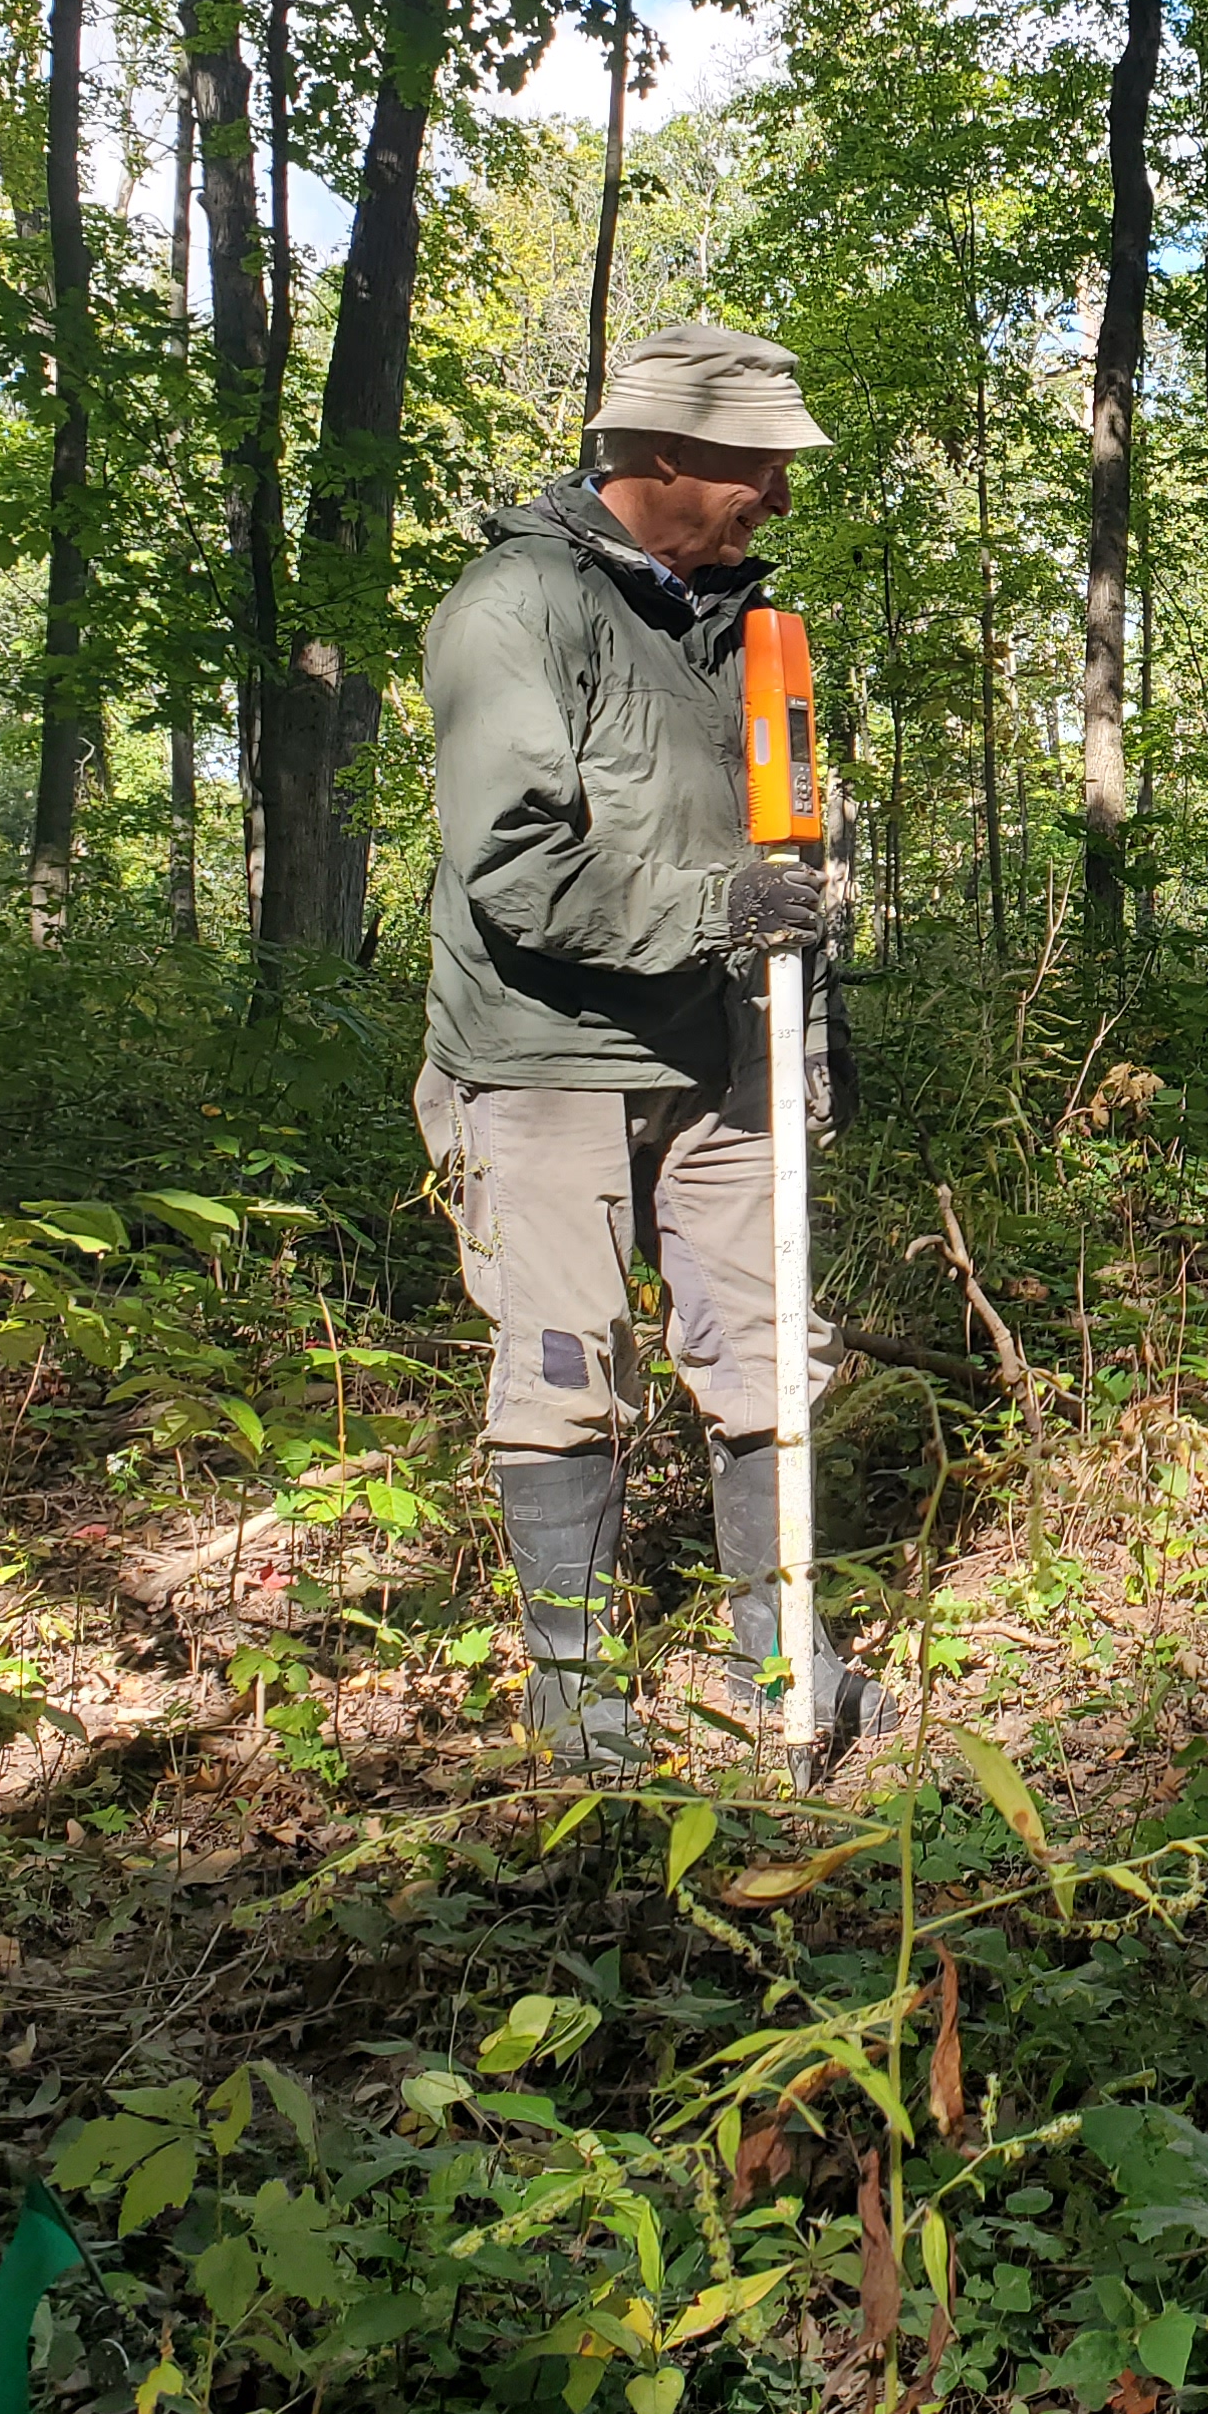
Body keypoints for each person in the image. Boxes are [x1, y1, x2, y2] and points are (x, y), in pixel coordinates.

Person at [416, 320, 891, 1773]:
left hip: (730, 1046)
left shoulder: (747, 629)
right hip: (546, 1055)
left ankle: (779, 1649)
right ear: (668, 454)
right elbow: (510, 864)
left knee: (766, 1349)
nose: (780, 500)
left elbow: (781, 834)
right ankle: (575, 1685)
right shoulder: (516, 607)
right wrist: (719, 906)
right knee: (565, 1358)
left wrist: (812, 954)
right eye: (761, 467)